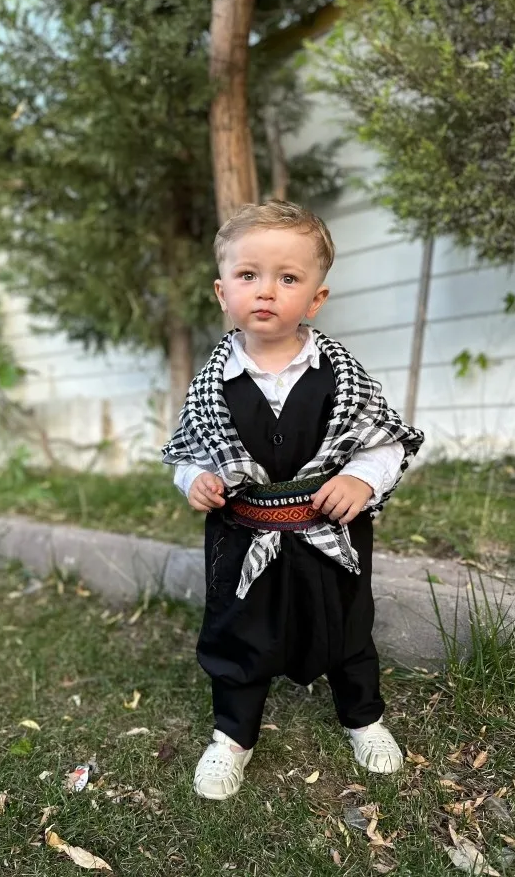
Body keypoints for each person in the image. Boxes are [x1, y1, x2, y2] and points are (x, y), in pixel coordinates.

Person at [162, 200, 424, 801]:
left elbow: (383, 441)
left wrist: (361, 480)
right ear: (222, 291)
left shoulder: (341, 374)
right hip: (242, 534)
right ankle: (233, 735)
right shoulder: (211, 385)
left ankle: (363, 717)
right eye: (247, 275)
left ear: (316, 298)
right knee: (239, 630)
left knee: (346, 626)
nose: (265, 291)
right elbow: (187, 451)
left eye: (287, 278)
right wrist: (194, 479)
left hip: (328, 531)